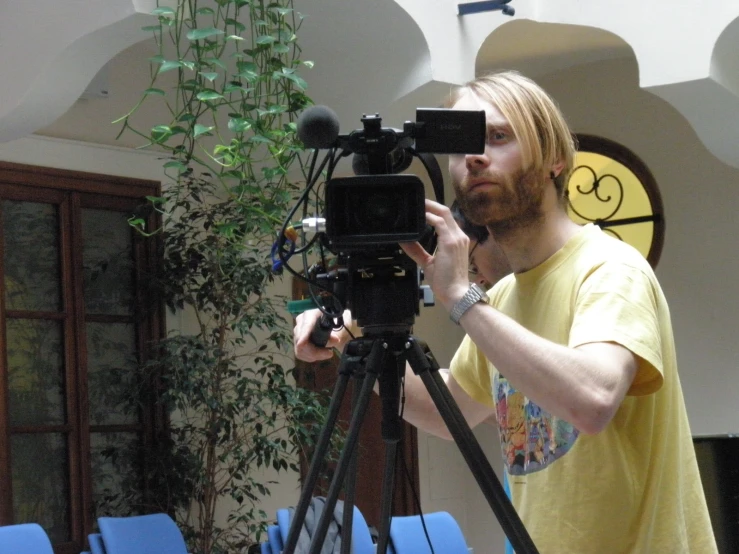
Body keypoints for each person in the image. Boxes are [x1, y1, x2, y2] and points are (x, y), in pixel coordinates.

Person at [294, 71, 717, 553]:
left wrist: (460, 299)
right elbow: (444, 409)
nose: (474, 157)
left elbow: (593, 400)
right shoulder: (506, 297)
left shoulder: (609, 268)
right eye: (461, 148)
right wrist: (348, 337)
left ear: (555, 158)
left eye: (498, 137)